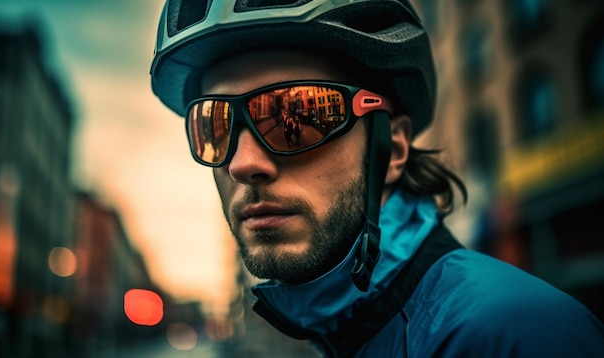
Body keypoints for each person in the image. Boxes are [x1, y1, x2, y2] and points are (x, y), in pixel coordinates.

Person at [150, 0, 604, 356]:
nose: (241, 163)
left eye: (296, 114)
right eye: (214, 125)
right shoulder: (342, 334)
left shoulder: (516, 334)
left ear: (392, 151)